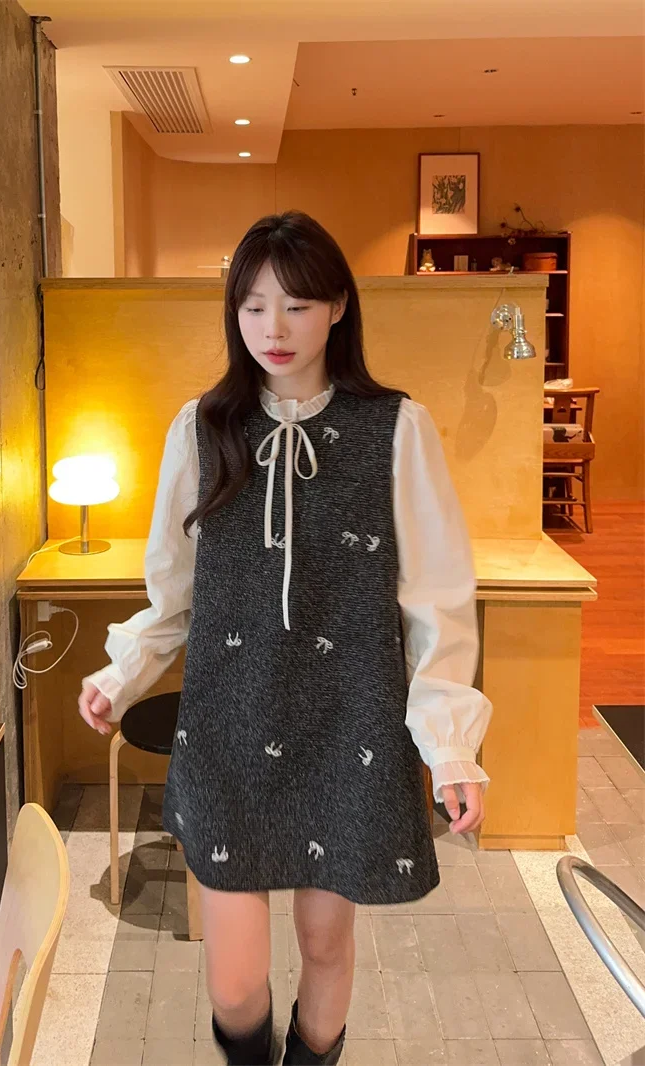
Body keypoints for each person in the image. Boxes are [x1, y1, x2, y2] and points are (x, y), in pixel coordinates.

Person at [78, 211, 492, 1066]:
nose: (274, 327)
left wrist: (450, 746)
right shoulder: (202, 427)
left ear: (338, 307)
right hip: (228, 724)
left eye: (298, 305)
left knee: (326, 946)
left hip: (348, 725)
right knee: (234, 986)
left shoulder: (396, 428)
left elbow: (438, 603)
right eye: (254, 306)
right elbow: (174, 589)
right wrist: (123, 674)